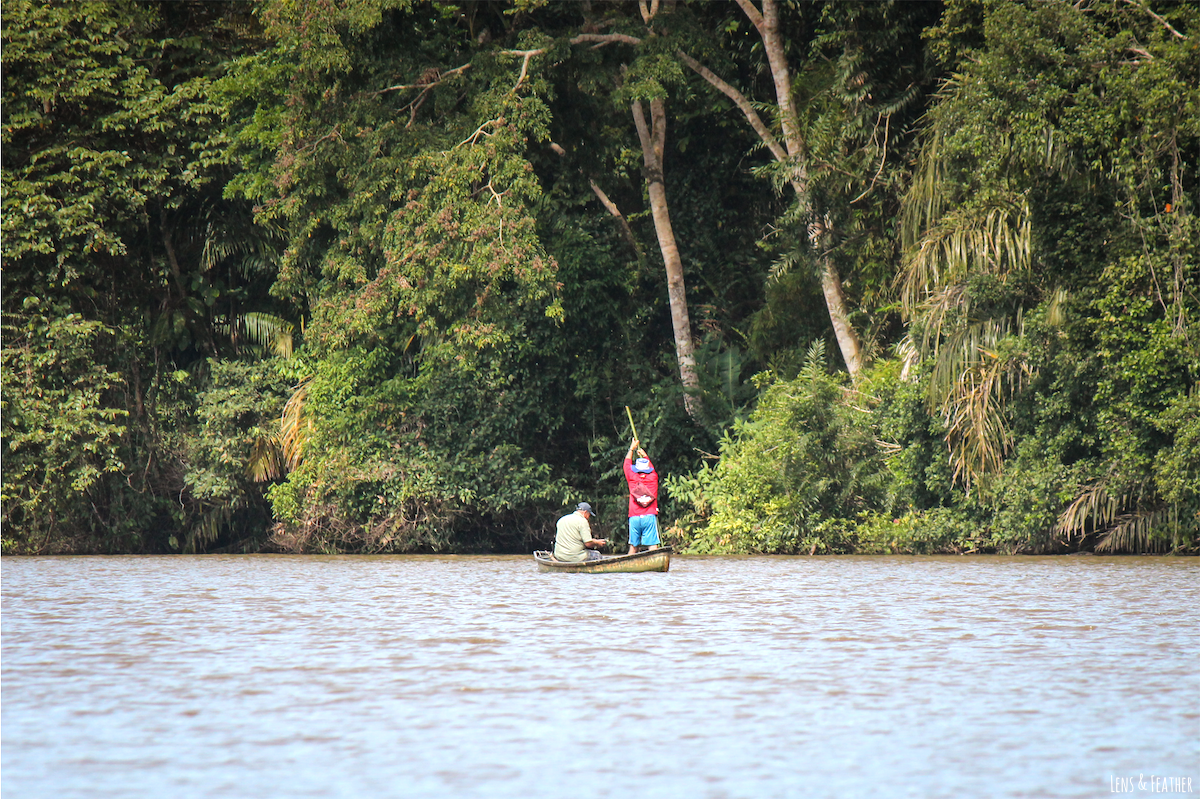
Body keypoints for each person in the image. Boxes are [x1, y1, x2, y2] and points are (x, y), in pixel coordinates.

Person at [623, 438, 660, 555]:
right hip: (649, 516)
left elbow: (626, 465)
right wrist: (645, 456)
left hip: (634, 516)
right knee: (653, 546)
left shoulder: (632, 477)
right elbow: (652, 469)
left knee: (633, 547)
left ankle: (629, 568)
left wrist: (631, 449)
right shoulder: (653, 477)